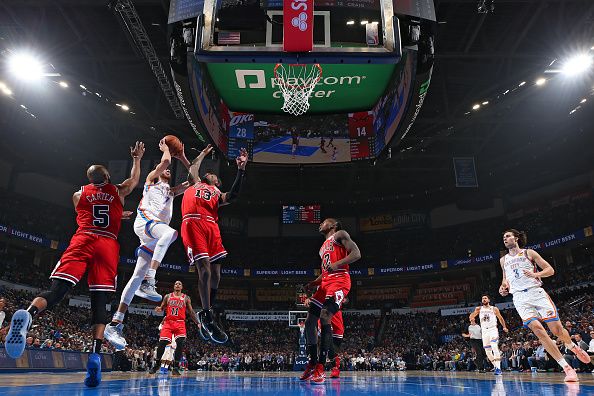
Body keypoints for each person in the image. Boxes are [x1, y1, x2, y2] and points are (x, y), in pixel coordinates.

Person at [5, 141, 145, 387]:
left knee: (57, 289)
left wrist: (113, 213)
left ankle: (28, 315)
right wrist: (136, 159)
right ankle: (94, 355)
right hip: (107, 244)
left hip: (83, 239)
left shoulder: (78, 194)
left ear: (88, 179)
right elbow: (134, 180)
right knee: (100, 302)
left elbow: (87, 213)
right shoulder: (117, 190)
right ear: (108, 177)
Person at [104, 139, 192, 349]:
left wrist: (183, 157)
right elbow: (163, 164)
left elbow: (195, 180)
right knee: (171, 233)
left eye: (170, 170)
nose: (168, 171)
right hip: (146, 223)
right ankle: (150, 280)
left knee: (135, 276)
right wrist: (166, 150)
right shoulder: (152, 180)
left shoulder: (171, 192)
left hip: (153, 234)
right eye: (166, 170)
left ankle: (116, 322)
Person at [499, 229, 590, 382]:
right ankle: (567, 368)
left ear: (516, 238)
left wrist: (536, 274)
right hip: (519, 298)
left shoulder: (529, 253)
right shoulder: (503, 260)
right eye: (503, 237)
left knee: (557, 331)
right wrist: (503, 288)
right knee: (539, 331)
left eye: (508, 236)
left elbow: (550, 270)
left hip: (536, 293)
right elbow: (505, 280)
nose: (505, 239)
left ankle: (573, 346)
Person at [181, 146, 247, 343]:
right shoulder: (194, 183)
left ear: (217, 182)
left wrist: (241, 170)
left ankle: (208, 308)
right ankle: (208, 316)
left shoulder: (217, 193)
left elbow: (233, 195)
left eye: (213, 175)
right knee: (206, 271)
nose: (209, 173)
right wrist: (202, 153)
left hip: (212, 226)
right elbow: (193, 167)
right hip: (193, 222)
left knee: (216, 274)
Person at [300, 218, 361, 384]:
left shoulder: (340, 234)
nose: (320, 224)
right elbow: (325, 271)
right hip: (326, 282)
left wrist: (337, 264)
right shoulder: (322, 248)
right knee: (309, 321)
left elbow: (356, 254)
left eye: (324, 222)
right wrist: (313, 283)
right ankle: (312, 362)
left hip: (340, 280)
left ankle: (321, 366)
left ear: (333, 225)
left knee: (325, 315)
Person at [149, 280, 199, 376]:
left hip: (180, 323)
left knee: (180, 343)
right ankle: (157, 364)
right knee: (162, 343)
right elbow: (162, 307)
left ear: (182, 287)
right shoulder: (167, 296)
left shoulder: (186, 298)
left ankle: (175, 367)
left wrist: (197, 323)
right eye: (176, 283)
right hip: (168, 322)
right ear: (174, 286)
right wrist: (159, 309)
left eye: (179, 284)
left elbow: (191, 312)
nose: (177, 285)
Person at [469, 294, 508, 375]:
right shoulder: (479, 309)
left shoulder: (494, 308)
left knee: (494, 345)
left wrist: (504, 327)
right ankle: (496, 367)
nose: (484, 299)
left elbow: (500, 318)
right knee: (488, 352)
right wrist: (472, 317)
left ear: (489, 300)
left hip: (492, 329)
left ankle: (498, 368)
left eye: (485, 298)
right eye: (482, 298)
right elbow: (472, 315)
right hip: (484, 331)